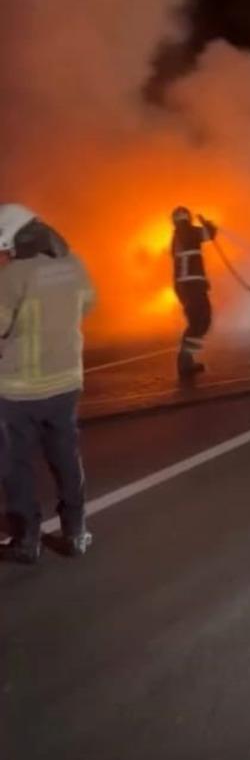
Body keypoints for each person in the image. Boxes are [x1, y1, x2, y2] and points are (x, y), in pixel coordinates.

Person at [0, 204, 95, 564]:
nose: (4, 254)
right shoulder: (73, 264)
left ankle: (27, 541)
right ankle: (76, 533)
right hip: (66, 381)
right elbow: (88, 304)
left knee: (15, 465)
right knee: (66, 458)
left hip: (17, 389)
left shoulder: (14, 275)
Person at [171, 207, 217, 380]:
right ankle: (184, 361)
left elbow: (205, 235)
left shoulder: (181, 235)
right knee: (200, 321)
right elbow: (208, 235)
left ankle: (187, 360)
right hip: (191, 286)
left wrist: (208, 227)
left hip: (188, 286)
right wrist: (208, 225)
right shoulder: (187, 233)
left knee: (199, 321)